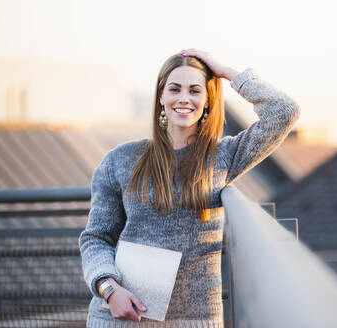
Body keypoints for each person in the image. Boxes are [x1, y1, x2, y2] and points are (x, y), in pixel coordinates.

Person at [79, 48, 300, 327]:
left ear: (207, 100)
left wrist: (225, 72)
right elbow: (96, 238)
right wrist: (109, 290)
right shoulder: (119, 160)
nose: (184, 98)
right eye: (175, 89)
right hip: (123, 316)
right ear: (161, 97)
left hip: (194, 320)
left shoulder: (224, 156)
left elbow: (284, 112)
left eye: (195, 90)